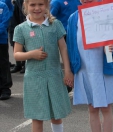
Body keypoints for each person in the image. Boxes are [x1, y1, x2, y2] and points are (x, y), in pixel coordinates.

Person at [13, 0, 74, 131]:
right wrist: (31, 54)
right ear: (26, 6)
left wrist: (67, 71)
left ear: (46, 5)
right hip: (34, 79)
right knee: (37, 116)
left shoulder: (55, 24)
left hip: (54, 76)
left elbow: (63, 48)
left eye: (40, 4)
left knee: (57, 113)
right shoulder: (21, 28)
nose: (37, 8)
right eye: (33, 5)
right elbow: (16, 54)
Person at [66, 0, 113, 131]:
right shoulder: (74, 18)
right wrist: (72, 69)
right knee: (92, 108)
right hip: (84, 69)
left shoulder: (106, 13)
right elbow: (71, 45)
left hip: (102, 68)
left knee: (106, 107)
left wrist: (112, 48)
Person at [50, 0, 81, 93]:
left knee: (78, 59)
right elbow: (49, 17)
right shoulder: (56, 2)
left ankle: (78, 83)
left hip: (79, 33)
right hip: (65, 35)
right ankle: (69, 83)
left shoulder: (78, 1)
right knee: (68, 59)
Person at [8, 0, 26, 73]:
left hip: (21, 13)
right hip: (12, 18)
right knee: (13, 39)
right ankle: (18, 64)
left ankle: (25, 64)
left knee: (24, 41)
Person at [0, 1, 13, 100]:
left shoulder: (2, 5)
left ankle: (5, 89)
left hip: (1, 40)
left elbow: (5, 22)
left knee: (3, 64)